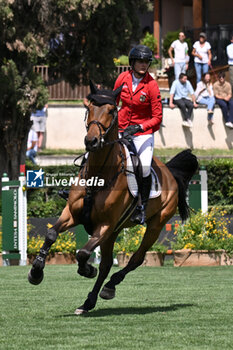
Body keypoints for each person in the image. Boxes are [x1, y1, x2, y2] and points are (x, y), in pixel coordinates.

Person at [114, 44, 162, 224]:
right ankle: (84, 191)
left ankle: (141, 206)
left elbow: (157, 117)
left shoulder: (152, 85)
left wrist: (140, 127)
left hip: (143, 133)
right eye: (140, 61)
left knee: (143, 166)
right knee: (95, 151)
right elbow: (114, 102)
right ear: (132, 62)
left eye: (146, 62)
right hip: (121, 128)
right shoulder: (122, 78)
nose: (143, 65)